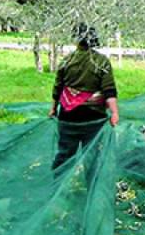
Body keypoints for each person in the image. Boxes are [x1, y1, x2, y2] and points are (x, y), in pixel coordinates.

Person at [49, 24, 119, 170]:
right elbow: (109, 90)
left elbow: (58, 88)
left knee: (65, 155)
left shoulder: (67, 61)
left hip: (68, 116)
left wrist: (53, 108)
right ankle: (92, 189)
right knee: (92, 156)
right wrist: (114, 113)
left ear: (76, 39)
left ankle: (58, 187)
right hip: (93, 117)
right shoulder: (101, 61)